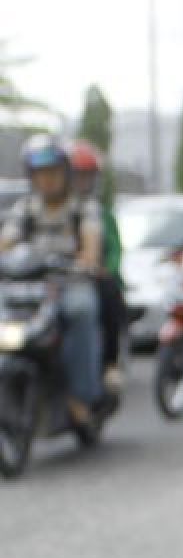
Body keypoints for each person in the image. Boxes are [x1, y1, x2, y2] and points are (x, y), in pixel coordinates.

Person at [0, 134, 105, 428]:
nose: (47, 180)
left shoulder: (83, 207)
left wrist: (86, 259)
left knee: (81, 311)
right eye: (40, 174)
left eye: (53, 173)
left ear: (65, 173)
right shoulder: (25, 209)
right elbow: (6, 242)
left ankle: (81, 396)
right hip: (28, 287)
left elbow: (91, 244)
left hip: (68, 283)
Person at [70, 139, 127, 392]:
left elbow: (114, 249)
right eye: (77, 176)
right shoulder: (43, 209)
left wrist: (107, 268)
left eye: (87, 176)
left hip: (93, 276)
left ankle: (110, 363)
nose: (82, 182)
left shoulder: (100, 213)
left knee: (109, 297)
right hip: (60, 278)